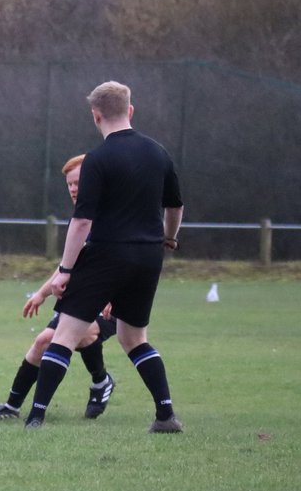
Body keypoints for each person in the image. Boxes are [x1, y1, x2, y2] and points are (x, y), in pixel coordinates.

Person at [23, 81, 184, 432]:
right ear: (130, 110)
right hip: (149, 256)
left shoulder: (98, 159)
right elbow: (175, 205)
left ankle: (35, 416)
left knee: (63, 335)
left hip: (107, 253)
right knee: (133, 339)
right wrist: (169, 238)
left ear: (96, 117)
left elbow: (82, 221)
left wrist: (65, 270)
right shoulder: (159, 153)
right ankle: (166, 415)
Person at [0, 154, 117, 421]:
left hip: (113, 300)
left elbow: (126, 263)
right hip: (81, 297)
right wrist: (42, 293)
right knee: (44, 340)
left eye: (79, 182)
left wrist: (117, 295)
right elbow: (68, 264)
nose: (74, 189)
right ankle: (12, 406)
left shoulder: (113, 217)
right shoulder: (80, 218)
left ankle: (100, 382)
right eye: (70, 185)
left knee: (78, 336)